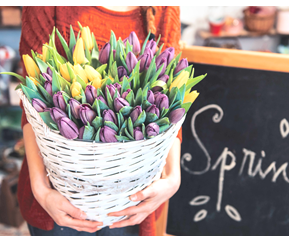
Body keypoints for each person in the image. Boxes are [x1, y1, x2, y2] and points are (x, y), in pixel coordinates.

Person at [18, 6, 182, 236]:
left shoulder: (164, 8)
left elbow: (172, 98)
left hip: (133, 200)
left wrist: (173, 177)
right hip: (57, 198)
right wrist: (41, 190)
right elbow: (31, 99)